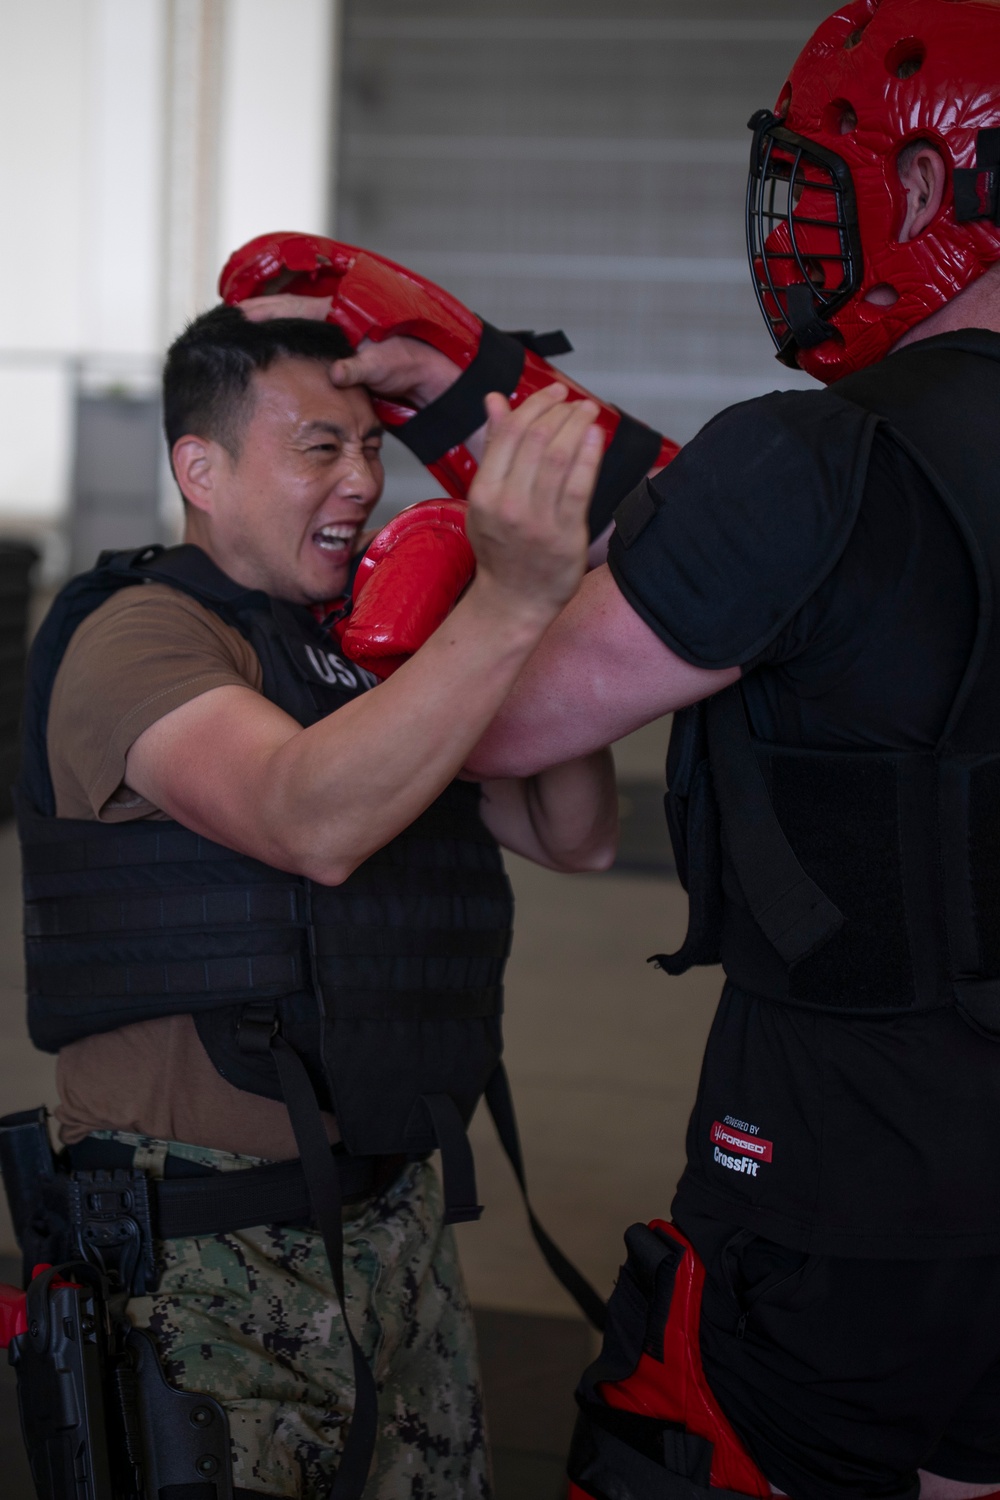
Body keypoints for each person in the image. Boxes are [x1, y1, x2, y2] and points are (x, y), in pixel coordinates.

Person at [231, 2, 1000, 1496]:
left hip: (844, 1183)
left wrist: (462, 579)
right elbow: (787, 560)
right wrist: (472, 383)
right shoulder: (831, 488)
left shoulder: (815, 467)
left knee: (687, 1455)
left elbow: (511, 718)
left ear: (917, 191)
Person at [13, 304, 619, 1499]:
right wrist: (501, 606)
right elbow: (307, 821)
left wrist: (529, 620)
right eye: (317, 448)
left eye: (370, 448)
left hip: (391, 1230)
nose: (358, 480)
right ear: (202, 466)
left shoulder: (371, 652)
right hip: (198, 1250)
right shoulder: (141, 638)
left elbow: (576, 833)